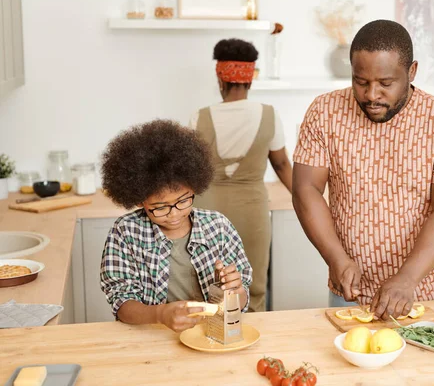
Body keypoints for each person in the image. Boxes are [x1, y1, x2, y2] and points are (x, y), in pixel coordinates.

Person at [292, 20, 434, 320]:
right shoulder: (324, 112)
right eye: (360, 81)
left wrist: (407, 278)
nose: (371, 94)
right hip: (348, 296)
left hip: (423, 294)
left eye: (385, 83)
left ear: (412, 72)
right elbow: (305, 189)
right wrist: (336, 258)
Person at [100, 119, 252, 333]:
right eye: (159, 207)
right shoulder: (125, 232)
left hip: (212, 335)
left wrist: (236, 292)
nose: (174, 214)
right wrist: (160, 314)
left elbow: (241, 299)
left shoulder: (219, 227)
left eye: (183, 201)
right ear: (138, 200)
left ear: (194, 186)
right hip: (154, 337)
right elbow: (122, 303)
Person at [190, 38, 293, 312]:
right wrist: (309, 199)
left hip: (205, 214)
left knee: (206, 285)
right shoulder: (269, 115)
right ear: (250, 79)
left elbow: (186, 172)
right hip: (252, 212)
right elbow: (282, 165)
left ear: (220, 78)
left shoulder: (199, 117)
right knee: (252, 285)